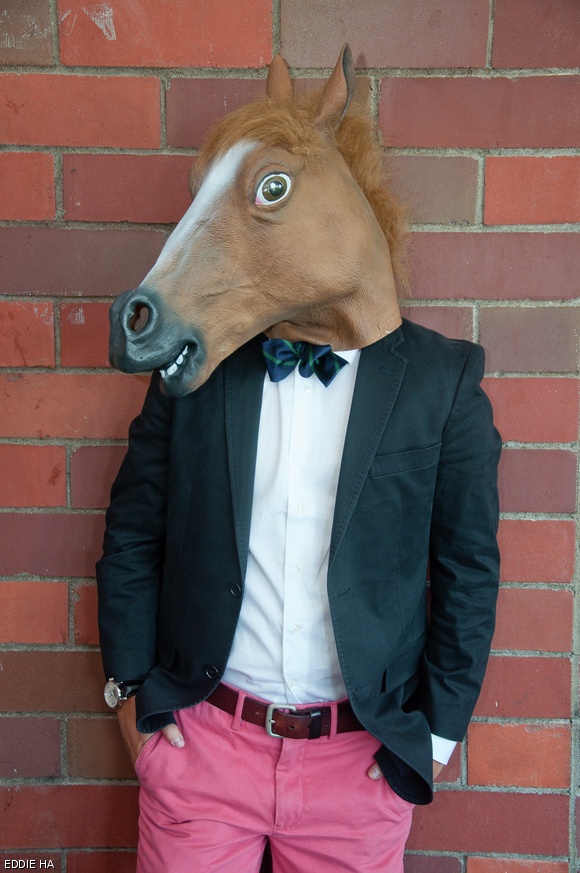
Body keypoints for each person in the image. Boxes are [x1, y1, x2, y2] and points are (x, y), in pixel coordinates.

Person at [97, 48, 501, 873]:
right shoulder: (204, 374)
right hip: (203, 747)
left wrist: (436, 737)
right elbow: (134, 530)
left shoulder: (442, 383)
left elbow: (467, 571)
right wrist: (128, 696)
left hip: (358, 769)